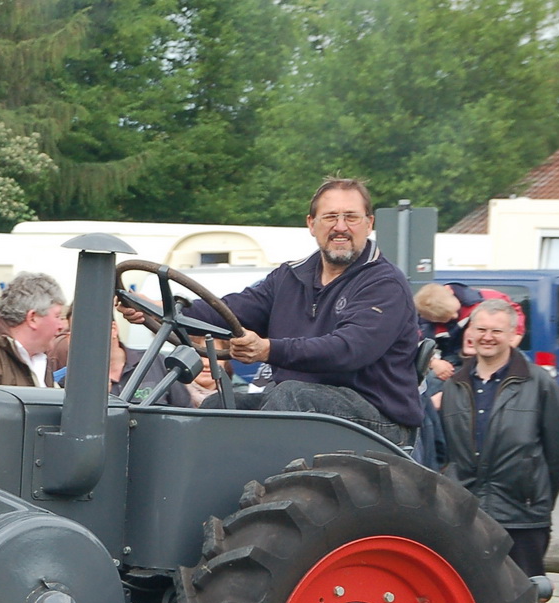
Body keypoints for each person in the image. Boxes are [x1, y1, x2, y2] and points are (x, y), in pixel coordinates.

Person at [125, 179, 421, 447]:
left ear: (369, 223)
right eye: (330, 217)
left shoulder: (383, 283)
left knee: (290, 395)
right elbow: (227, 311)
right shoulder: (289, 277)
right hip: (305, 406)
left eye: (351, 217)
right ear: (311, 224)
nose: (341, 227)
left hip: (378, 418)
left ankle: (262, 494)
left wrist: (268, 349)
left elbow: (348, 350)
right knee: (219, 406)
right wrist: (156, 307)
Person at [439, 300, 559, 603]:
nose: (487, 337)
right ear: (470, 333)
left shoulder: (537, 382)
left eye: (496, 330)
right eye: (480, 329)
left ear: (513, 335)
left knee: (526, 601)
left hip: (522, 512)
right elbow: (446, 450)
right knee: (470, 602)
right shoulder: (455, 384)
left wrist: (535, 495)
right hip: (469, 512)